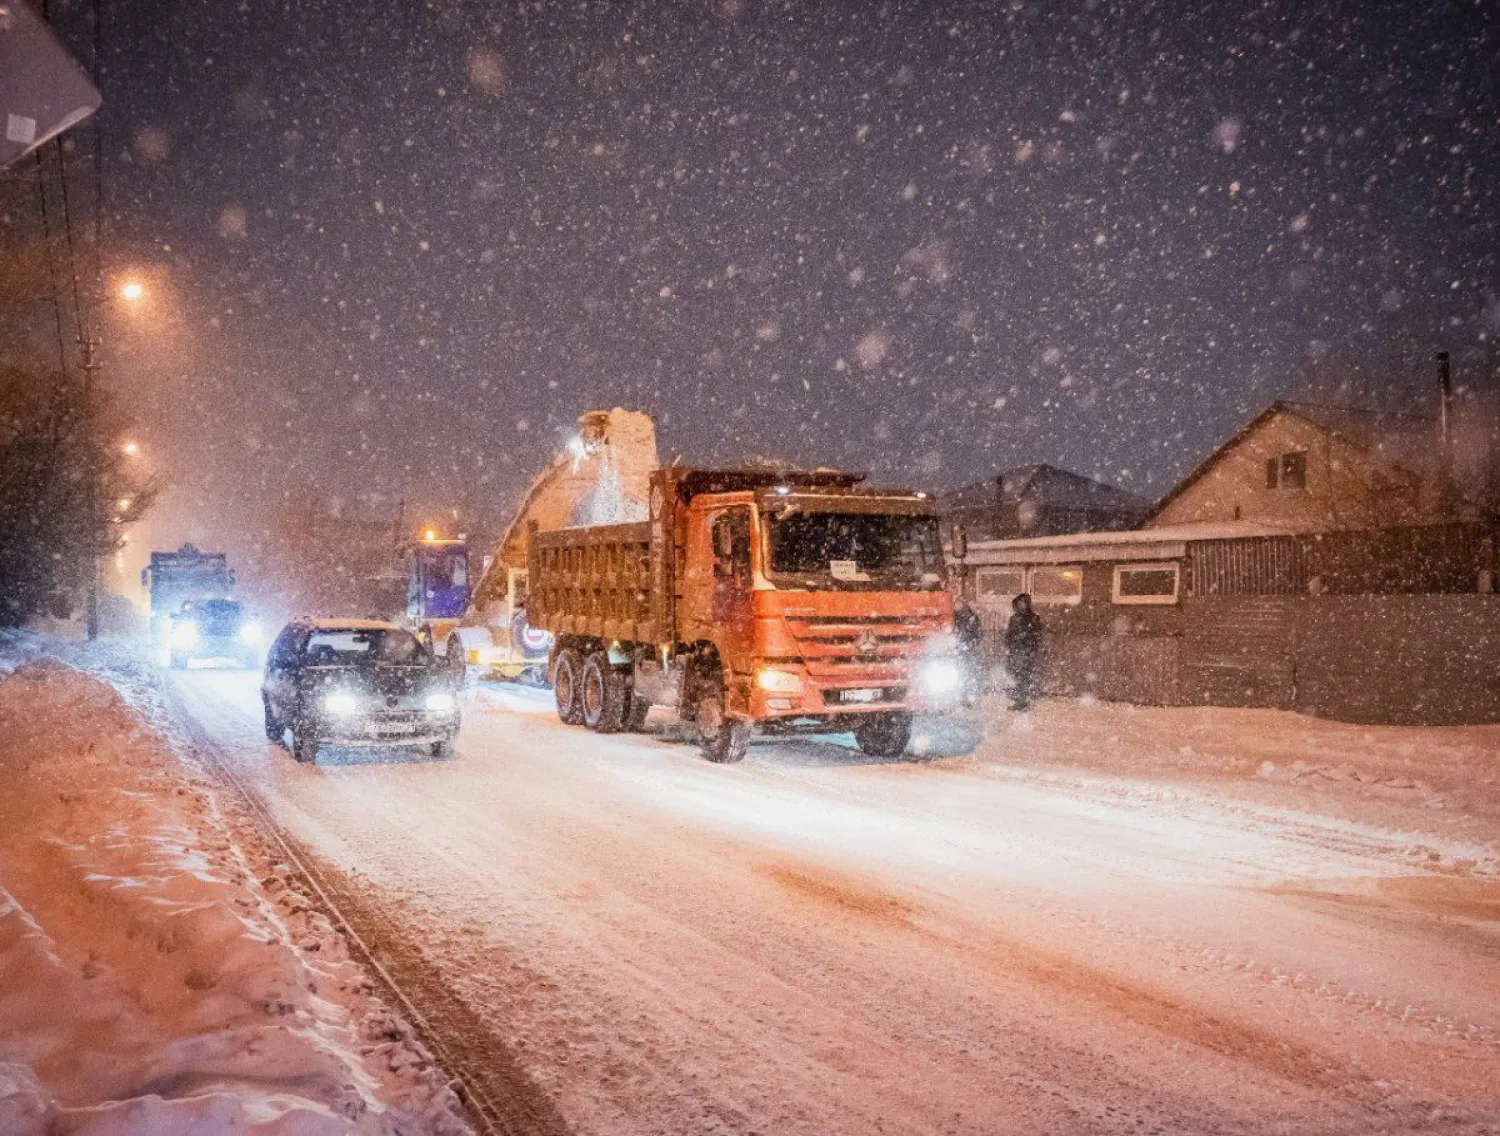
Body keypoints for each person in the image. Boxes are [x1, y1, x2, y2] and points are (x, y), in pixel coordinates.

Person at [1003, 593, 1043, 711]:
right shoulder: (1014, 618)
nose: (1021, 605)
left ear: (1027, 604)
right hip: (1015, 652)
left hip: (1025, 652)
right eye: (1019, 602)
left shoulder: (1033, 618)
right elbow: (1009, 634)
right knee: (1016, 676)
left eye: (1023, 602)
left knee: (1023, 677)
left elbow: (1036, 636)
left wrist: (1030, 649)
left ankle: (1023, 702)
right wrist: (1009, 647)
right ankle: (1019, 701)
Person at [952, 597, 984, 705]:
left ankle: (966, 697)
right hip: (956, 651)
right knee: (958, 674)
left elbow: (978, 635)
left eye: (960, 604)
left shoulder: (973, 619)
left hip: (968, 652)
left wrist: (969, 645)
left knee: (967, 674)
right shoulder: (953, 618)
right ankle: (960, 696)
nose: (958, 606)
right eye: (957, 604)